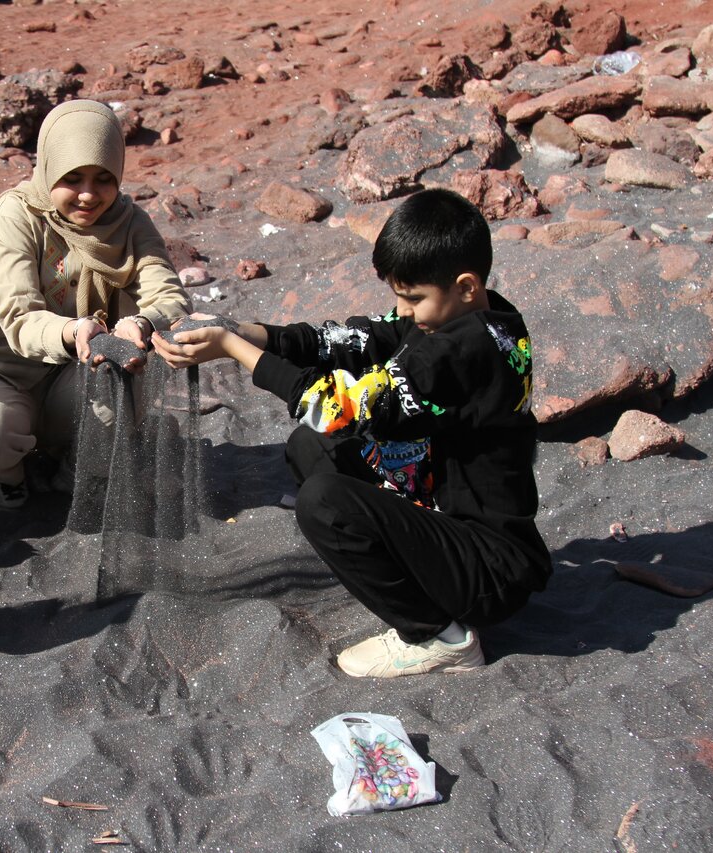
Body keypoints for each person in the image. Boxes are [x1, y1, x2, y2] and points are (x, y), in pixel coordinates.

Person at [153, 188, 551, 678]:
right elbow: (351, 341)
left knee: (324, 501)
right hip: (442, 513)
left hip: (489, 569)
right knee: (310, 448)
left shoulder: (460, 353)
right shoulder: (465, 315)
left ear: (466, 286)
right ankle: (397, 569)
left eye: (412, 298)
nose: (401, 311)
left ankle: (441, 639)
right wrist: (242, 328)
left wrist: (234, 348)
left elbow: (335, 409)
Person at [0, 99, 190, 509]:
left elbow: (170, 298)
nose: (89, 195)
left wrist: (141, 324)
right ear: (49, 167)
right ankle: (6, 476)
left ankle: (78, 472)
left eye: (103, 179)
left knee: (140, 362)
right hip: (2, 371)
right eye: (73, 177)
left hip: (74, 381)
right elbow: (20, 316)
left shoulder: (129, 222)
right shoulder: (18, 215)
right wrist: (74, 331)